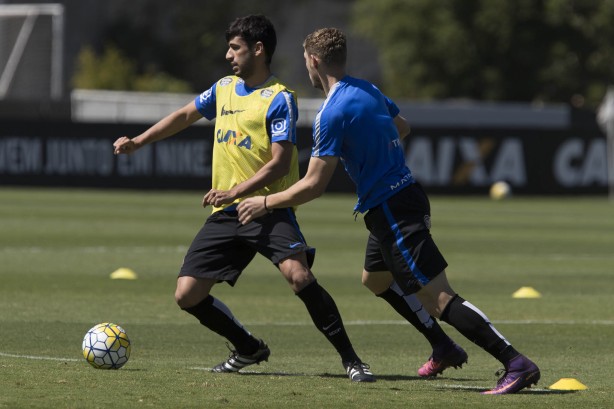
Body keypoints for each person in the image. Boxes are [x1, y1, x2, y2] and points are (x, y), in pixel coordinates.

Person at [236, 27, 541, 394]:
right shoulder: (367, 89)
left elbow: (314, 186)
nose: (306, 68)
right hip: (399, 199)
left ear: (314, 61)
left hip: (394, 209)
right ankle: (442, 346)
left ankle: (515, 362)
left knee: (438, 296)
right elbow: (403, 127)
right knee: (376, 280)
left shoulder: (331, 113)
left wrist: (265, 201)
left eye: (305, 61)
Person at [113, 15, 375, 382]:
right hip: (227, 212)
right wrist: (138, 142)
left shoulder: (279, 97)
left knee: (299, 276)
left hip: (269, 208)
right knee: (186, 295)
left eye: (235, 48)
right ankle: (249, 347)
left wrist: (237, 191)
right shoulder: (223, 88)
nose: (228, 55)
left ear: (258, 49)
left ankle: (352, 360)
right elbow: (185, 115)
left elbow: (280, 162)